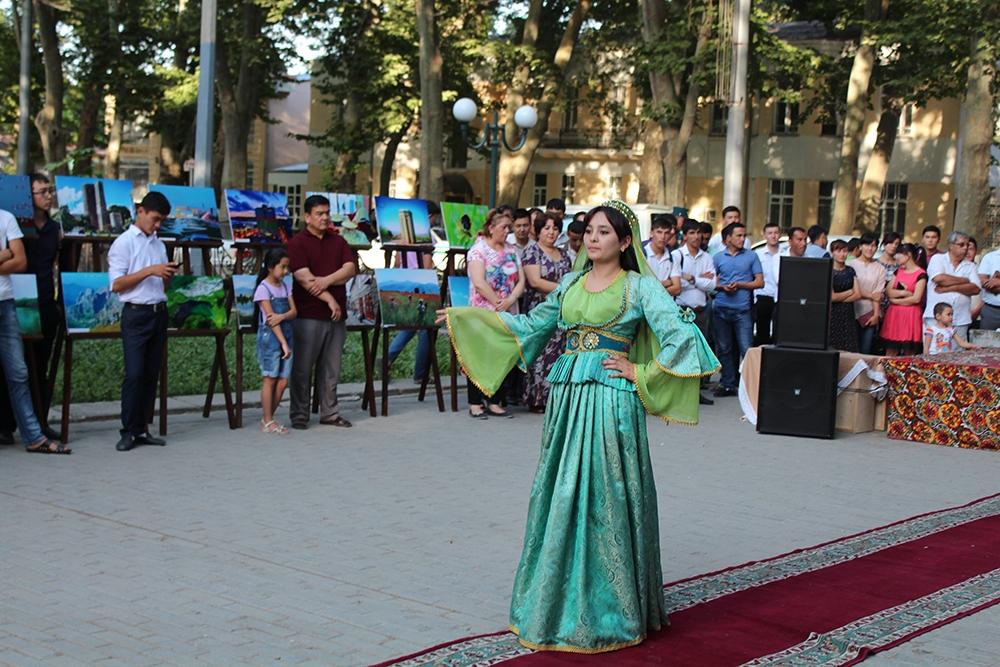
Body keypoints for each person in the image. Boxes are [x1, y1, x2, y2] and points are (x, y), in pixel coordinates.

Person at [440, 199, 718, 653]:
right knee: (561, 491)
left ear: (625, 241)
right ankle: (553, 602)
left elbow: (683, 336)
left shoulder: (639, 287)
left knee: (606, 492)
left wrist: (641, 371)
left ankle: (613, 607)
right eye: (589, 230)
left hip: (611, 400)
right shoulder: (569, 282)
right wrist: (468, 318)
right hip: (567, 401)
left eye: (605, 232)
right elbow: (530, 325)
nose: (593, 237)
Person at [108, 191, 176, 452]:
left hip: (158, 311)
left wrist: (166, 274)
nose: (157, 225)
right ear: (141, 212)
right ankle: (127, 430)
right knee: (135, 374)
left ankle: (142, 428)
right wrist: (150, 270)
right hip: (135, 313)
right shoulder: (124, 243)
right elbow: (116, 284)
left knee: (150, 374)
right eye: (155, 219)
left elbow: (162, 284)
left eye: (161, 221)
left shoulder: (159, 244)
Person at [0, 173, 63, 444]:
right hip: (19, 299)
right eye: (41, 192)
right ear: (28, 196)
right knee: (13, 366)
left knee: (38, 366)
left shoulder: (55, 229)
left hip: (46, 301)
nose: (48, 196)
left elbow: (35, 263)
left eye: (50, 191)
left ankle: (39, 421)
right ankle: (6, 425)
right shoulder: (19, 225)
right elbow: (14, 260)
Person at [287, 194, 357, 430]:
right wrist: (329, 299)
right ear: (307, 216)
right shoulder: (297, 243)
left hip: (336, 316)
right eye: (319, 213)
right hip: (308, 314)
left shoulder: (337, 242)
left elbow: (350, 268)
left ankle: (330, 412)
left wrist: (326, 281)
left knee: (331, 369)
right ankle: (299, 414)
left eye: (327, 212)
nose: (325, 217)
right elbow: (304, 278)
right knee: (302, 368)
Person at [465, 207, 525, 418]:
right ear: (491, 228)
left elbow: (521, 281)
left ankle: (495, 400)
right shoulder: (478, 250)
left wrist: (509, 300)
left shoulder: (511, 250)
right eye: (503, 227)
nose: (507, 231)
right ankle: (475, 402)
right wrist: (497, 302)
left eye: (509, 227)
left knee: (501, 355)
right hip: (484, 311)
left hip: (507, 310)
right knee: (479, 355)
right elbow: (479, 282)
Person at [520, 212, 572, 412]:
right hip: (540, 309)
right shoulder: (532, 251)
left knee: (558, 353)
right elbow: (535, 282)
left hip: (561, 310)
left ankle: (555, 398)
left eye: (555, 228)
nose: (551, 232)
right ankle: (537, 397)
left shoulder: (564, 253)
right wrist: (564, 289)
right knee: (540, 353)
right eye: (547, 228)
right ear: (539, 230)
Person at [711, 221, 762, 397]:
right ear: (728, 238)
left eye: (744, 235)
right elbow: (711, 282)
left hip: (743, 310)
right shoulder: (717, 258)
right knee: (724, 349)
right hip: (721, 309)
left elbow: (759, 282)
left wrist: (740, 284)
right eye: (739, 235)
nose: (743, 239)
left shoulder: (752, 256)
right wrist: (722, 287)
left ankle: (750, 385)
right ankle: (727, 383)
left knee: (746, 349)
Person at [671, 219, 716, 405]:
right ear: (685, 235)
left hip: (702, 310)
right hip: (682, 309)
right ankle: (678, 392)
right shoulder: (676, 255)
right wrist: (698, 281)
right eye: (691, 233)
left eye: (698, 232)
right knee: (681, 351)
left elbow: (713, 284)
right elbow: (676, 284)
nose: (696, 237)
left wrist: (691, 278)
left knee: (698, 351)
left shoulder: (706, 257)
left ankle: (694, 391)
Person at [254, 248, 296, 434]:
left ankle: (267, 417)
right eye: (282, 267)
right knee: (270, 378)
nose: (286, 271)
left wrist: (282, 316)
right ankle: (268, 420)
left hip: (286, 333)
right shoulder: (263, 289)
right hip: (272, 338)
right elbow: (271, 321)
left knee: (283, 380)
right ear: (270, 267)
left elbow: (294, 312)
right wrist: (283, 343)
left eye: (287, 267)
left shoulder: (285, 286)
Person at [385, 250, 434, 383]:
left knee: (410, 326)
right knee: (426, 329)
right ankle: (421, 373)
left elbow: (396, 263)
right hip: (419, 285)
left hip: (403, 284)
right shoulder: (425, 239)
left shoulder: (402, 239)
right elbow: (427, 266)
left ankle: (387, 359)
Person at [923, 231, 980, 343]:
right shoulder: (938, 259)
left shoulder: (971, 266)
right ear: (951, 245)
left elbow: (975, 288)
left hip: (960, 319)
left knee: (957, 356)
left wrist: (948, 288)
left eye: (967, 245)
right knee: (934, 353)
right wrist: (964, 280)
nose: (965, 248)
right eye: (961, 245)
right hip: (936, 319)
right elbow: (939, 279)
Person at [881, 243, 927, 356]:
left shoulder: (921, 274)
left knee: (909, 352)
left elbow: (916, 298)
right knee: (891, 350)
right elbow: (888, 290)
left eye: (899, 254)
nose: (896, 257)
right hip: (895, 314)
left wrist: (896, 301)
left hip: (910, 314)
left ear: (908, 255)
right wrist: (905, 293)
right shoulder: (898, 271)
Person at [852, 234, 886, 354]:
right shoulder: (851, 265)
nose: (870, 248)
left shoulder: (880, 268)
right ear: (860, 246)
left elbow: (878, 293)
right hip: (852, 311)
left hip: (870, 312)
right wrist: (871, 295)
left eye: (873, 246)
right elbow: (853, 290)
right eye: (867, 245)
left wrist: (876, 315)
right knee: (852, 348)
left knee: (866, 349)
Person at [829, 239, 860, 352]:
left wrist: (839, 298)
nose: (842, 254)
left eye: (845, 251)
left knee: (849, 345)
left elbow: (858, 294)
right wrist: (849, 292)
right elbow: (832, 297)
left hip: (848, 313)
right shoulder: (829, 271)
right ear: (832, 252)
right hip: (832, 314)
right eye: (839, 251)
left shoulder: (850, 270)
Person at [753, 221, 781, 345]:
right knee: (762, 333)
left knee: (778, 333)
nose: (773, 236)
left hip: (780, 298)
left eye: (776, 233)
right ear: (764, 235)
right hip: (763, 296)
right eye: (770, 233)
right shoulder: (757, 254)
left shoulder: (784, 253)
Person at [644, 214, 680, 296]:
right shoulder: (642, 253)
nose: (663, 237)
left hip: (664, 306)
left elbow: (677, 289)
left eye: (666, 233)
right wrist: (664, 284)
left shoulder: (672, 257)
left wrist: (654, 289)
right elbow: (639, 288)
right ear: (651, 233)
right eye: (659, 232)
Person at [978, 244, 1000, 330]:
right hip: (991, 310)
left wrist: (998, 281)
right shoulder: (990, 257)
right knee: (986, 341)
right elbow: (983, 282)